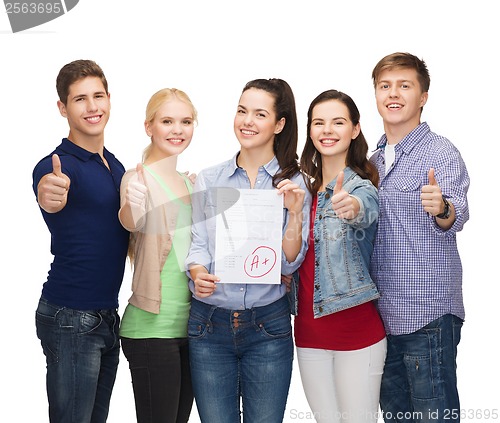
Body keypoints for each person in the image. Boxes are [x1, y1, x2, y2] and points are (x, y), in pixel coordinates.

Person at [185, 78, 311, 423]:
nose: (247, 121)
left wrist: (296, 213)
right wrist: (197, 273)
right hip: (208, 326)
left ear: (279, 124)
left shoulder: (294, 184)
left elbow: (290, 261)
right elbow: (197, 245)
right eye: (242, 111)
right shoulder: (210, 179)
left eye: (259, 114)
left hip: (267, 325)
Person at [369, 52, 470, 423]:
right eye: (385, 86)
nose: (393, 94)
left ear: (422, 96)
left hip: (427, 314)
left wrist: (441, 206)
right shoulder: (374, 160)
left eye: (404, 85)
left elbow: (455, 214)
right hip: (384, 316)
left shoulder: (439, 152)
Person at [32, 59, 129, 422]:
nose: (92, 107)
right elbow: (48, 190)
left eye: (98, 96)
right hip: (71, 315)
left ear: (109, 100)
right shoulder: (57, 165)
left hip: (106, 316)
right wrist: (48, 193)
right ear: (63, 108)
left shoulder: (114, 165)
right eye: (80, 99)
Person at [290, 89, 386, 423]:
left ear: (355, 129)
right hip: (307, 333)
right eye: (319, 123)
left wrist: (351, 207)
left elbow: (366, 209)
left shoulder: (361, 187)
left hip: (357, 333)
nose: (327, 130)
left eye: (338, 122)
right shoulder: (301, 189)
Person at [118, 88, 197, 423]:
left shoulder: (191, 184)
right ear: (149, 126)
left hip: (191, 329)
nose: (177, 129)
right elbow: (130, 220)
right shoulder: (137, 179)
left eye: (185, 121)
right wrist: (132, 206)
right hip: (150, 330)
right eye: (167, 121)